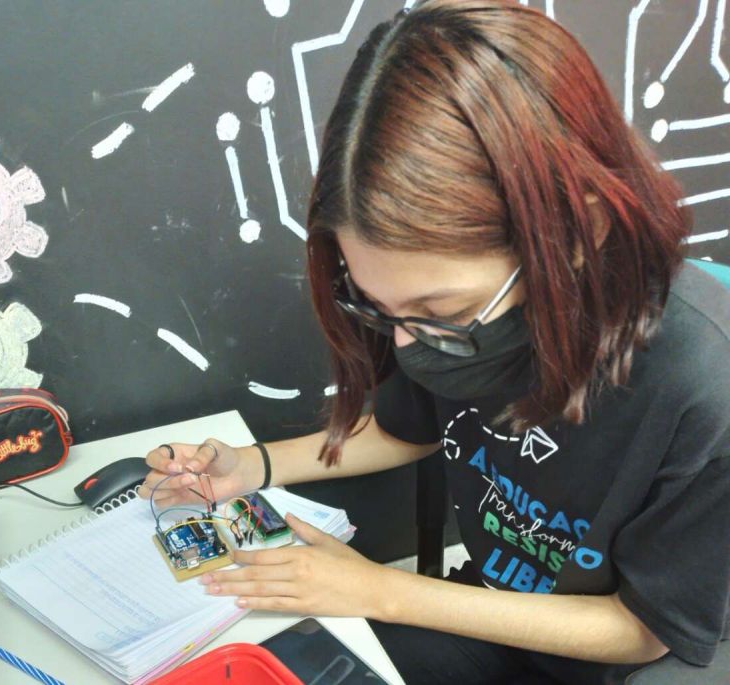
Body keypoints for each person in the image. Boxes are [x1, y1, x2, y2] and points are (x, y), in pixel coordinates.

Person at [139, 1, 730, 683]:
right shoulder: (459, 320)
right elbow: (409, 428)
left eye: (437, 312)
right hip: (502, 615)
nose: (406, 341)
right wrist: (250, 466)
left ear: (576, 235)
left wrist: (380, 590)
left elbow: (646, 630)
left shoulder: (702, 381)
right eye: (381, 307)